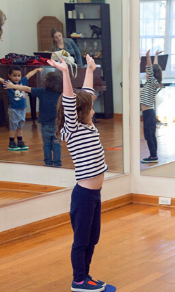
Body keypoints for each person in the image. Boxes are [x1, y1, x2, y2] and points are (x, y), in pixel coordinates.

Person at [49, 55, 108, 292]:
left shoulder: (88, 124)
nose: (94, 111)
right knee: (81, 240)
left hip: (94, 196)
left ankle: (86, 275)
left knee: (92, 239)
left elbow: (86, 92)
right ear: (79, 111)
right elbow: (71, 99)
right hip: (83, 196)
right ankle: (78, 280)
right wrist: (65, 73)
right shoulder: (72, 129)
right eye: (90, 108)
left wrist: (90, 69)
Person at [2, 72, 63, 166]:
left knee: (46, 145)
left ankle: (48, 163)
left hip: (45, 124)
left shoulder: (42, 91)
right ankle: (58, 164)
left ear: (47, 82)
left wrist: (12, 86)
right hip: (57, 125)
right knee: (57, 145)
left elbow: (26, 88)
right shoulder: (61, 93)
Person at [0, 66, 43, 151]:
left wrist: (36, 70)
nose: (17, 78)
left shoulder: (22, 81)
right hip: (14, 109)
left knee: (20, 127)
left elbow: (29, 75)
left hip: (22, 109)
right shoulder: (8, 83)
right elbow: (0, 79)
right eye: (14, 75)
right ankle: (11, 143)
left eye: (19, 75)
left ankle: (20, 141)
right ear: (9, 76)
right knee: (13, 127)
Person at [140, 49, 164, 163]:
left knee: (149, 136)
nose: (146, 73)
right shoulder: (153, 82)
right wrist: (155, 56)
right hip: (148, 113)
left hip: (148, 113)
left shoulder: (152, 82)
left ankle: (153, 156)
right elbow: (155, 67)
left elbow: (150, 67)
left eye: (147, 71)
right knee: (151, 135)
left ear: (151, 74)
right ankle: (154, 155)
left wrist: (147, 56)